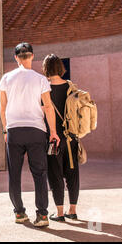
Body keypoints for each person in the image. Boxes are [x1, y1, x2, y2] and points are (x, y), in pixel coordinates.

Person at [0, 42, 60, 227]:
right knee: (40, 174)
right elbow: (48, 107)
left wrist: (5, 130)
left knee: (14, 175)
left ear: (16, 57)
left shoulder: (6, 78)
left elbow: (2, 107)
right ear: (32, 56)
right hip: (36, 131)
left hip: (14, 131)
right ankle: (42, 216)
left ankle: (19, 213)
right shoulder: (41, 79)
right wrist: (54, 132)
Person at [42, 54, 80, 222]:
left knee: (55, 174)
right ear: (61, 68)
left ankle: (59, 213)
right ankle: (73, 210)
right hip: (71, 137)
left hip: (53, 138)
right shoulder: (71, 87)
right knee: (73, 173)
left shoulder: (44, 89)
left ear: (46, 69)